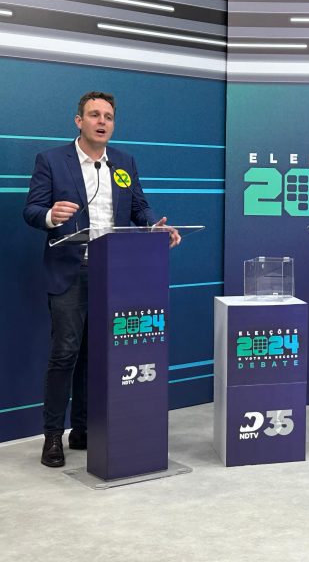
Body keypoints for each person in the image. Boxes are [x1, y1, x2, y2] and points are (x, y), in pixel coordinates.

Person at [23, 91, 180, 468]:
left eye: (108, 116)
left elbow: (139, 206)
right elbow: (31, 209)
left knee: (98, 355)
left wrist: (155, 225)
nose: (102, 122)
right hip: (69, 271)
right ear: (78, 121)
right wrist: (50, 215)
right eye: (94, 115)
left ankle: (83, 429)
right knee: (65, 353)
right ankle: (52, 438)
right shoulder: (52, 160)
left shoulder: (123, 162)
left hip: (114, 271)